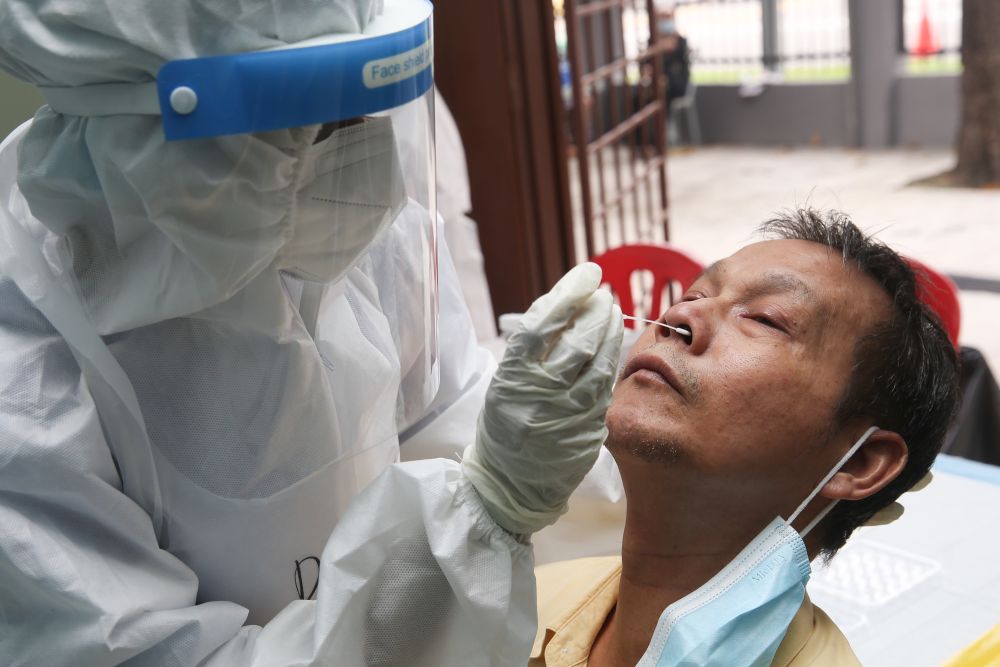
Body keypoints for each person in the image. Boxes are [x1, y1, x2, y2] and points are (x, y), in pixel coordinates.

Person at [0, 0, 624, 664]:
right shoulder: (27, 386)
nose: (354, 147)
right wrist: (488, 509)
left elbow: (448, 416)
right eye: (316, 117)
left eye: (359, 105)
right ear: (160, 129)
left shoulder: (330, 210)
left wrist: (550, 442)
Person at [529, 209, 960, 666]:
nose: (679, 316)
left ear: (858, 462)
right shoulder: (530, 600)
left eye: (765, 318)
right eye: (693, 294)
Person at [655, 6, 691, 107]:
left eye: (668, 18)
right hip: (656, 84)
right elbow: (647, 63)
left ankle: (664, 122)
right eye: (662, 19)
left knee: (664, 94)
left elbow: (680, 62)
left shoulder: (680, 41)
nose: (665, 22)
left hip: (676, 84)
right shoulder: (653, 42)